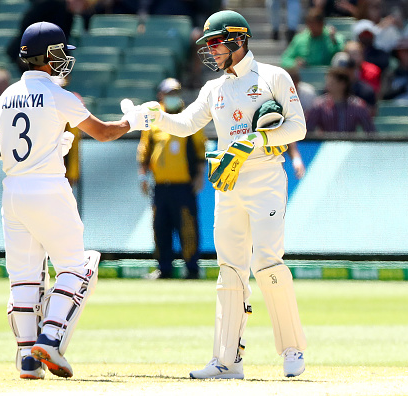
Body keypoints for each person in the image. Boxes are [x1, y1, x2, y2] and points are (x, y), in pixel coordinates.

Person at [122, 9, 308, 379]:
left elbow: (298, 127)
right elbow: (186, 123)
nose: (211, 50)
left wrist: (255, 140)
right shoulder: (213, 88)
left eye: (217, 42)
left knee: (268, 262)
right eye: (208, 43)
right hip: (228, 183)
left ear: (239, 39)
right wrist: (153, 115)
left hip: (265, 178)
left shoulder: (272, 76)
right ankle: (226, 361)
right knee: (230, 269)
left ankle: (292, 350)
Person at [0, 21, 149, 381]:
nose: (65, 60)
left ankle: (28, 358)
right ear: (50, 55)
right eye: (61, 53)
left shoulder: (7, 94)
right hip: (48, 188)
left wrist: (48, 143)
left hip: (12, 191)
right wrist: (131, 122)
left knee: (23, 279)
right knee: (75, 267)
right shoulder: (60, 95)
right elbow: (103, 132)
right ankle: (51, 335)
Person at [136, 78, 206, 280]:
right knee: (161, 228)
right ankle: (163, 268)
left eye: (176, 93)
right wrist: (143, 176)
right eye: (169, 93)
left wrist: (200, 176)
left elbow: (200, 150)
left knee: (188, 228)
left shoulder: (189, 118)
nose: (173, 97)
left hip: (183, 185)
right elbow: (144, 151)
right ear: (161, 96)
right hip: (161, 186)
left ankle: (192, 268)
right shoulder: (153, 121)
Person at [306, 67, 376, 134]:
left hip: (350, 144)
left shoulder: (357, 105)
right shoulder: (319, 105)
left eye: (332, 83)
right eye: (328, 83)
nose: (328, 86)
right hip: (326, 145)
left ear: (342, 84)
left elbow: (370, 131)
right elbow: (308, 130)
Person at [331, 50, 377, 114]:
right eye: (339, 72)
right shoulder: (329, 90)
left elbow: (372, 114)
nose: (343, 74)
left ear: (353, 70)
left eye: (347, 70)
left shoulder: (366, 91)